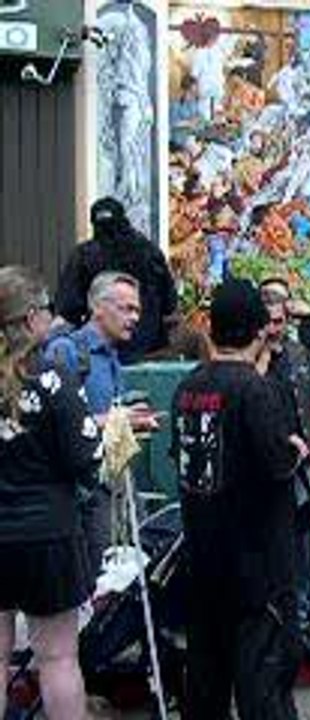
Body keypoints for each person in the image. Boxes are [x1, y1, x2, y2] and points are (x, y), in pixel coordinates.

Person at [171, 279, 306, 720]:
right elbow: (277, 461)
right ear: (258, 329)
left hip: (204, 554)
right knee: (262, 685)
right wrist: (295, 449)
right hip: (258, 564)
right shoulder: (256, 389)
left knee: (206, 681)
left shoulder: (187, 389)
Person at [0, 266, 102, 720]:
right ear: (27, 320)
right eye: (45, 311)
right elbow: (86, 458)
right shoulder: (53, 377)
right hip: (48, 535)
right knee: (57, 658)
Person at [45, 271, 158, 576]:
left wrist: (132, 424)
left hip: (115, 484)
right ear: (97, 307)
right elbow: (52, 423)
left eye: (137, 310)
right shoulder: (65, 352)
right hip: (81, 493)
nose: (134, 317)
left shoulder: (113, 358)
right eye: (126, 309)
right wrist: (116, 419)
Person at [259, 286, 310, 668]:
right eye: (270, 322)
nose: (276, 329)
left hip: (300, 469)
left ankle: (299, 628)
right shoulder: (254, 361)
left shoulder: (301, 354)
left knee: (301, 552)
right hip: (266, 472)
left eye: (281, 322)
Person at [55, 197, 178, 363]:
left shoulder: (84, 256)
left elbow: (68, 310)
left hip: (104, 354)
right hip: (152, 354)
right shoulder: (150, 251)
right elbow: (170, 305)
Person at [259, 276, 310, 362]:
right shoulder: (246, 346)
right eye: (267, 298)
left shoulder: (295, 354)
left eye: (278, 298)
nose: (271, 330)